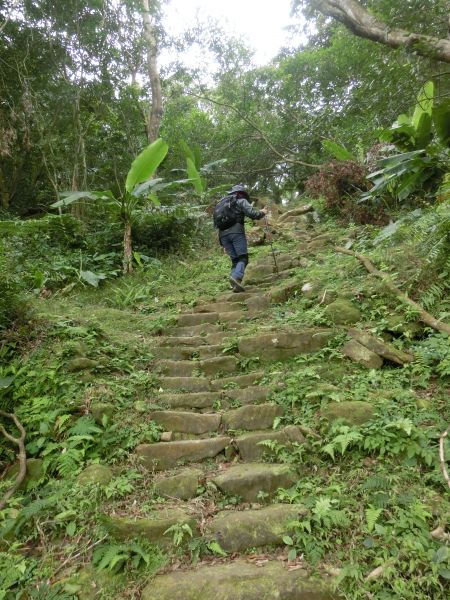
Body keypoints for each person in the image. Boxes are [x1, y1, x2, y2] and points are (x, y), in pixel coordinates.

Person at [215, 184, 267, 292]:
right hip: (236, 232)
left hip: (223, 235)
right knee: (243, 258)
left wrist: (222, 243)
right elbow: (253, 214)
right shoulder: (240, 200)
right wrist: (262, 212)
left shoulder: (221, 204)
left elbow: (216, 223)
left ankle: (234, 284)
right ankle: (236, 277)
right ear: (241, 194)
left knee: (235, 260)